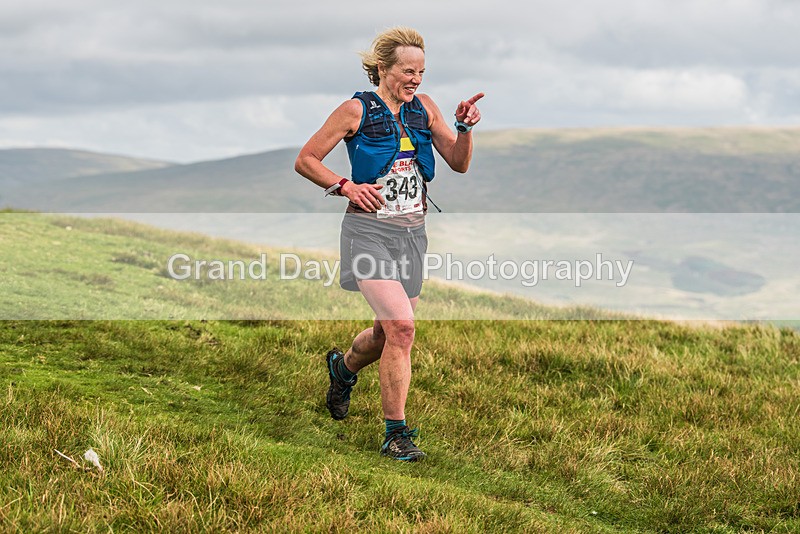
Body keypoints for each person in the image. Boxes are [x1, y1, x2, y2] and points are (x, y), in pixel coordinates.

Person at [294, 26, 483, 461]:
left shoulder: (426, 108)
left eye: (421, 71)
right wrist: (344, 185)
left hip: (412, 234)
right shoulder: (354, 110)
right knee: (402, 327)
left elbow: (458, 163)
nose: (415, 79)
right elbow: (305, 159)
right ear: (383, 68)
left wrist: (463, 128)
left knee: (385, 333)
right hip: (368, 232)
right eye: (407, 70)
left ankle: (343, 370)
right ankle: (395, 435)